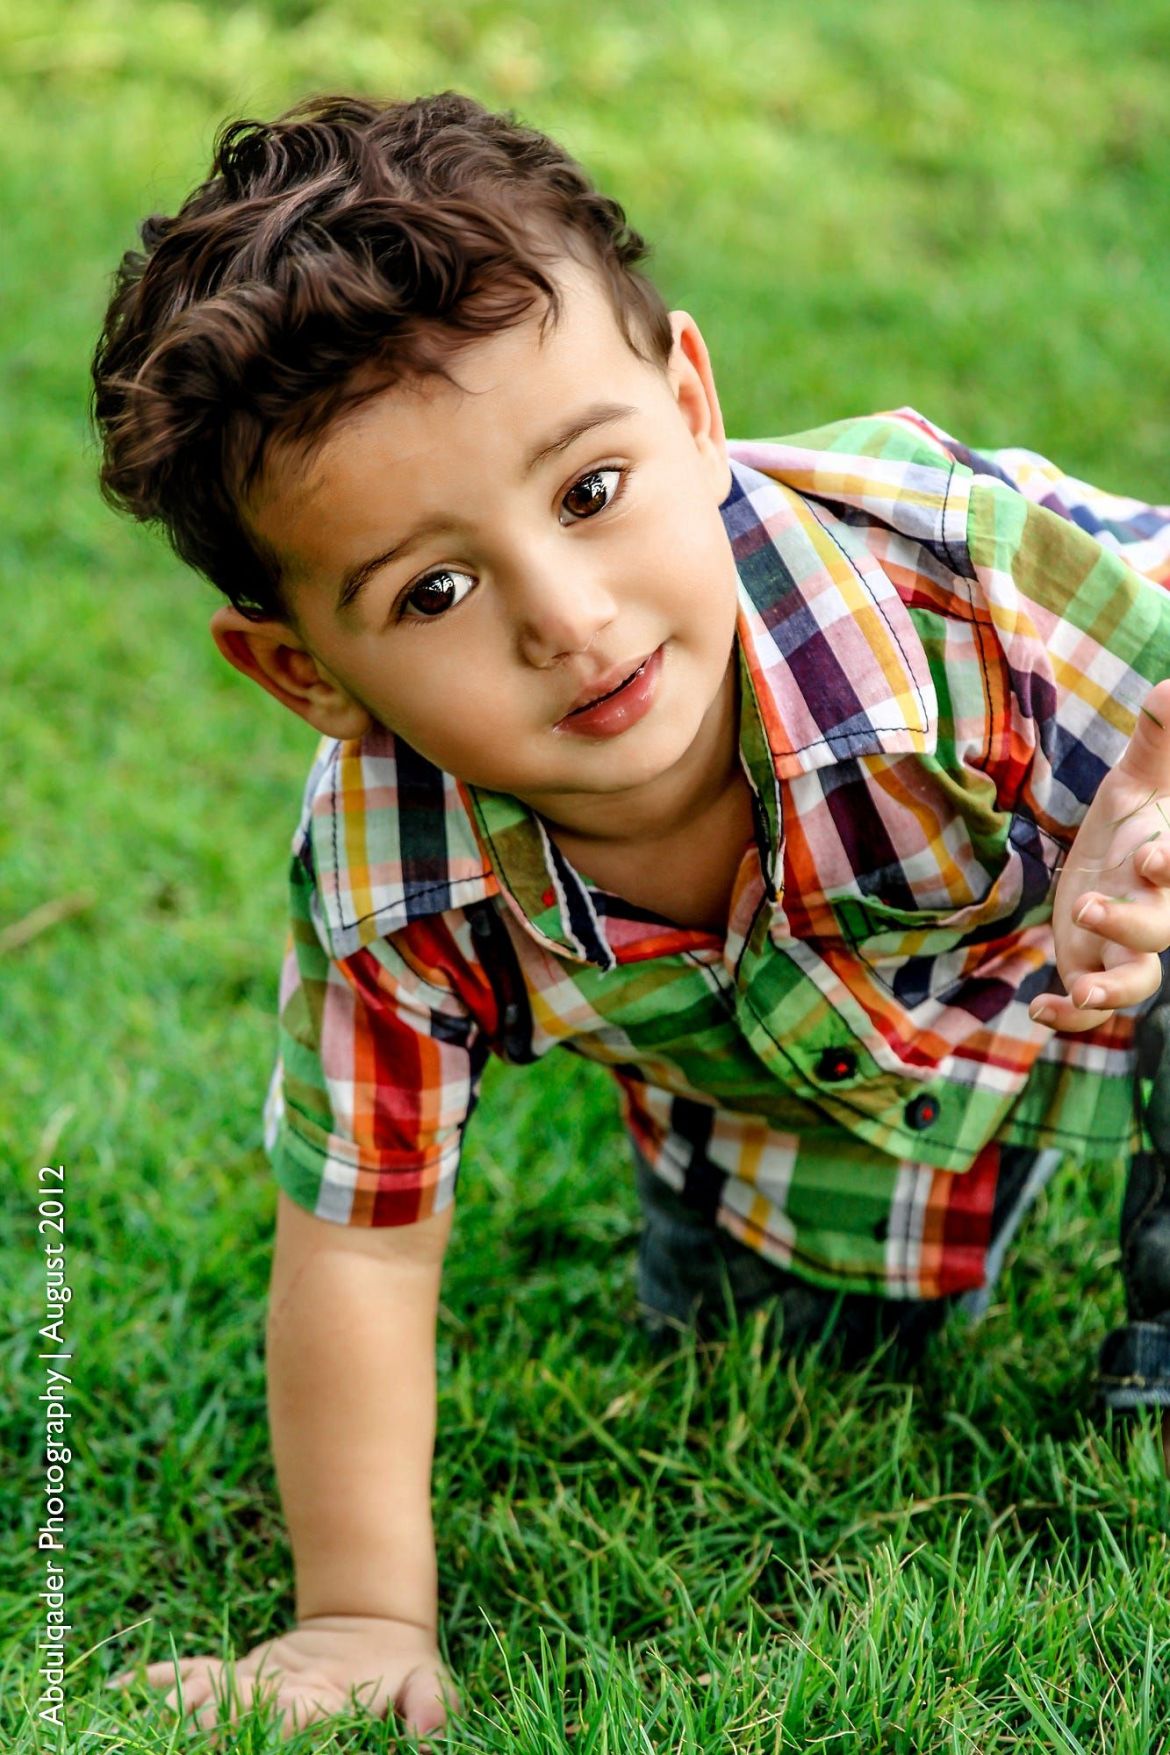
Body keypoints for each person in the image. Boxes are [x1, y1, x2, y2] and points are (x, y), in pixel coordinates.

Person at [93, 91, 1170, 1740]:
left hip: (1093, 906)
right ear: (305, 672)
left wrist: (1137, 847)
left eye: (590, 489)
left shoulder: (962, 596)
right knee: (784, 1355)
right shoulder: (397, 888)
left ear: (687, 404)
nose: (567, 617)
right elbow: (362, 1241)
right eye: (431, 593)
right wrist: (361, 1616)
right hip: (827, 1059)